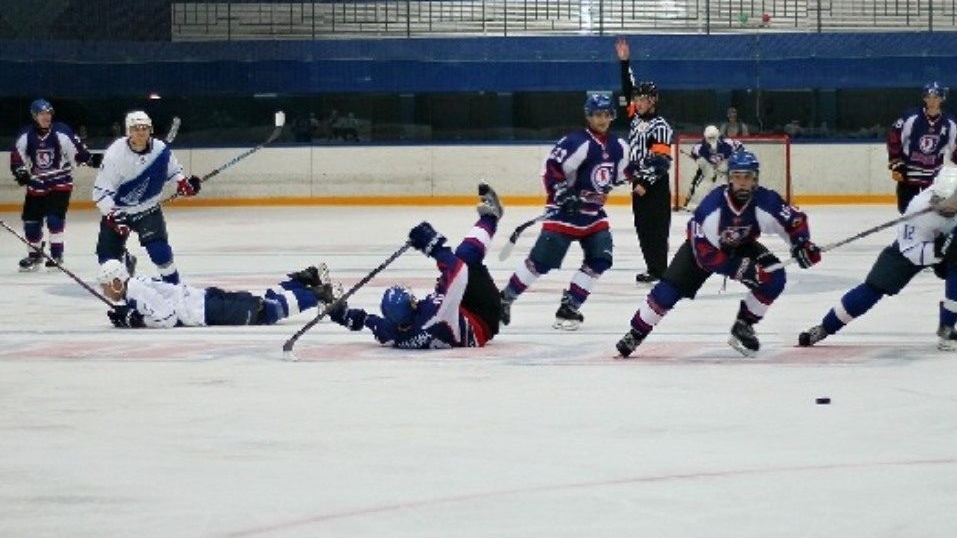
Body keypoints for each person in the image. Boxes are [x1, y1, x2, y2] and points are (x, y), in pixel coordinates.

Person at [796, 164, 957, 352]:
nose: (941, 207)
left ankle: (947, 327)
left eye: (947, 203)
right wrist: (940, 251)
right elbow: (912, 251)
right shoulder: (920, 208)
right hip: (917, 247)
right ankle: (825, 327)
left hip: (947, 242)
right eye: (938, 199)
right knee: (874, 287)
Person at [616, 150, 822, 359]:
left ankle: (744, 325)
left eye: (747, 177)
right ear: (729, 178)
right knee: (667, 293)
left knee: (775, 277)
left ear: (755, 179)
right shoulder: (712, 208)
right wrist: (742, 269)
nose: (742, 182)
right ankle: (636, 333)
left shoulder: (767, 202)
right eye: (737, 177)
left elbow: (795, 222)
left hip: (742, 244)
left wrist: (802, 245)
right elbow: (706, 255)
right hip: (702, 250)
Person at [499, 94, 631, 330]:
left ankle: (570, 306)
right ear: (588, 116)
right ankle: (504, 298)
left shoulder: (619, 146)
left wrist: (647, 171)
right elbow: (550, 168)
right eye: (597, 115)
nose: (602, 119)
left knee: (601, 258)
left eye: (606, 114)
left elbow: (623, 175)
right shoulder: (575, 142)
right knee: (541, 262)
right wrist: (562, 192)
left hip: (592, 215)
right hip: (564, 214)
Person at [328, 183, 506, 349]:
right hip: (484, 316)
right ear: (411, 307)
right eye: (412, 300)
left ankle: (489, 218)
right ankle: (491, 217)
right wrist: (433, 246)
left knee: (457, 270)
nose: (415, 300)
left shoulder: (395, 333)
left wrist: (345, 316)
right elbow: (458, 270)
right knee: (465, 257)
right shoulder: (434, 313)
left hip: (461, 313)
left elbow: (371, 322)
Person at [92, 110, 202, 284]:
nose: (141, 132)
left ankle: (175, 288)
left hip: (147, 209)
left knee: (160, 253)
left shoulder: (161, 150)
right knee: (106, 259)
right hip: (118, 210)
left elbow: (174, 172)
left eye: (145, 128)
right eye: (136, 128)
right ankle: (125, 261)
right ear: (129, 131)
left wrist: (183, 183)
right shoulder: (115, 153)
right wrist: (111, 213)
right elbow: (101, 191)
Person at [98, 259, 335, 329]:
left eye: (106, 286)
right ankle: (304, 280)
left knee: (265, 312)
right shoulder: (135, 287)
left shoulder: (136, 291)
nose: (105, 291)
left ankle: (318, 294)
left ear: (117, 282)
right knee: (259, 301)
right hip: (204, 300)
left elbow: (166, 318)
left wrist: (134, 320)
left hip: (205, 310)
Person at [9, 99, 102, 270]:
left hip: (60, 182)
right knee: (31, 223)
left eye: (48, 113)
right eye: (42, 114)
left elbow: (77, 151)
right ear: (34, 116)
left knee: (54, 219)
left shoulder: (61, 131)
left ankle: (57, 254)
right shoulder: (26, 135)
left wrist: (89, 158)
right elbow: (17, 157)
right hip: (37, 183)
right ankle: (34, 254)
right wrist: (20, 171)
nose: (46, 117)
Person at [616, 37, 675, 284]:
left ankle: (661, 270)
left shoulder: (660, 126)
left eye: (642, 100)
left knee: (656, 229)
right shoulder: (636, 120)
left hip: (655, 186)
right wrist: (624, 62)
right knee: (642, 227)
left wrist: (645, 182)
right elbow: (628, 89)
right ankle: (653, 268)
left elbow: (662, 161)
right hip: (639, 182)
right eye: (637, 100)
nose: (637, 103)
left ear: (653, 101)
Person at [886, 81, 957, 213]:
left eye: (936, 97)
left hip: (933, 179)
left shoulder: (951, 123)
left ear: (942, 98)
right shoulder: (910, 117)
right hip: (908, 176)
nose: (932, 101)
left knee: (931, 215)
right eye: (929, 97)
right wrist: (896, 164)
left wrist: (956, 170)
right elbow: (893, 138)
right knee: (906, 213)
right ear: (924, 98)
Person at [679, 125, 743, 211]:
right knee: (700, 182)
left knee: (732, 184)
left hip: (726, 169)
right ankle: (693, 202)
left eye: (713, 137)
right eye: (709, 138)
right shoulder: (700, 147)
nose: (711, 140)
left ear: (718, 135)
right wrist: (705, 165)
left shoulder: (728, 143)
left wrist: (730, 162)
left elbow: (740, 148)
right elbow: (695, 154)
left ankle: (736, 203)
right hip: (709, 168)